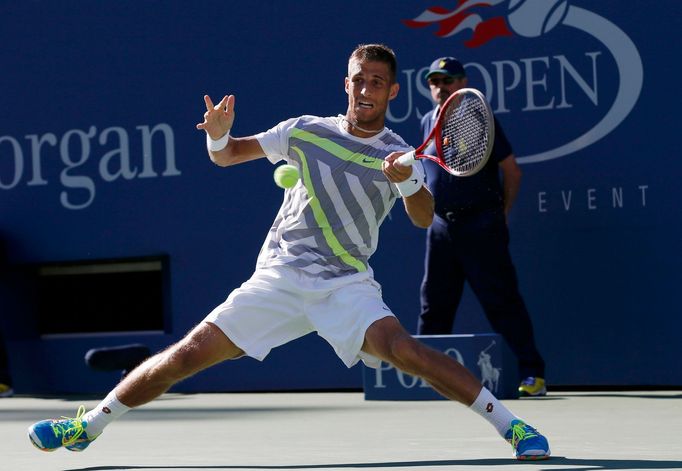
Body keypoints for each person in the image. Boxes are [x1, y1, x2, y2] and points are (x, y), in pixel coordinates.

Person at [27, 44, 549, 460]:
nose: (365, 89)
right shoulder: (304, 131)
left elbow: (420, 216)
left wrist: (411, 178)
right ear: (346, 84)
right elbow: (231, 155)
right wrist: (218, 137)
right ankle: (87, 426)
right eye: (357, 79)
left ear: (390, 91)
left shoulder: (395, 152)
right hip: (278, 277)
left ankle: (513, 426)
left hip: (345, 284)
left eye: (376, 82)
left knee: (407, 353)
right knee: (184, 357)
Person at [416, 57, 547, 397]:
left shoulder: (479, 117)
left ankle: (532, 373)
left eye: (448, 79)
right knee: (434, 306)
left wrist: (500, 213)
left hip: (481, 225)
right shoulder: (427, 121)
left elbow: (512, 171)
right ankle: (426, 378)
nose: (440, 86)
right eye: (434, 81)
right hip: (441, 227)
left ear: (463, 82)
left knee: (501, 301)